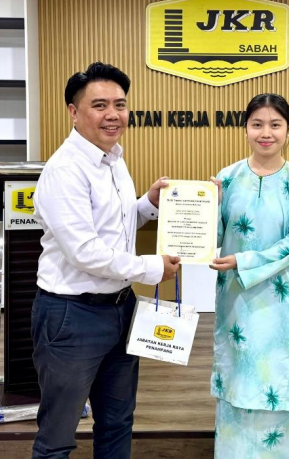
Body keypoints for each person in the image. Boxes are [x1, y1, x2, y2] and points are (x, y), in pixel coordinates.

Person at [31, 62, 181, 459]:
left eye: (120, 104)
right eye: (99, 105)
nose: (113, 114)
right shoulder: (65, 170)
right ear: (73, 111)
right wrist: (152, 268)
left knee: (117, 424)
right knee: (57, 437)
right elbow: (85, 251)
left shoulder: (112, 158)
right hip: (72, 315)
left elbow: (115, 226)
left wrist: (148, 203)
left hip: (120, 308)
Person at [209, 93, 289, 458]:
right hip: (236, 304)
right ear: (245, 129)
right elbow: (211, 238)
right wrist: (206, 206)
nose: (265, 133)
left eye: (275, 125)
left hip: (281, 306)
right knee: (237, 381)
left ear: (288, 130)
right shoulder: (226, 179)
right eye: (257, 124)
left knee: (280, 381)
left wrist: (242, 260)